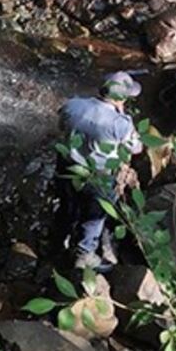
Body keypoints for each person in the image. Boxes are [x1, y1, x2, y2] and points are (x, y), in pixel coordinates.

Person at [57, 71, 144, 270]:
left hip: (67, 166)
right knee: (93, 217)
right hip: (98, 177)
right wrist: (121, 114)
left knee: (66, 204)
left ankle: (58, 240)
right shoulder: (120, 123)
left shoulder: (73, 104)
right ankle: (84, 254)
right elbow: (136, 148)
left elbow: (61, 127)